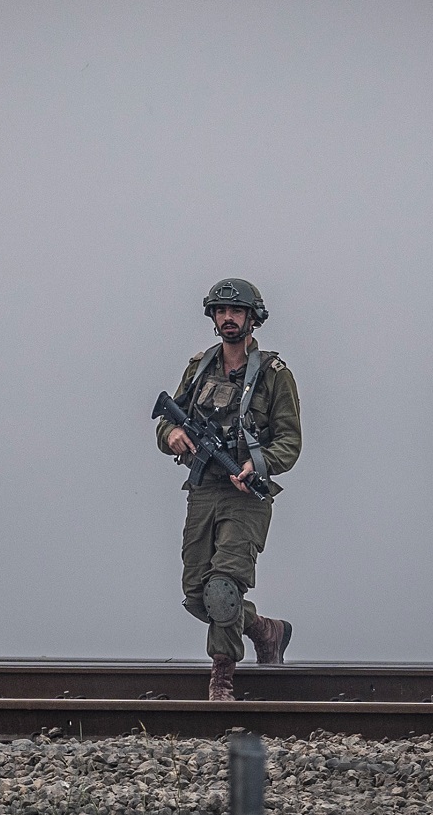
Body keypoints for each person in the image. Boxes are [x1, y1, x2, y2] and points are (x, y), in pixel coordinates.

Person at [155, 278, 302, 700]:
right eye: (220, 311)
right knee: (198, 594)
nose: (228, 319)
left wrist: (255, 464)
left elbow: (290, 442)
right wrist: (171, 435)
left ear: (253, 318)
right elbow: (169, 419)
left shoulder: (274, 375)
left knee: (223, 588)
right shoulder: (199, 368)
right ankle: (263, 628)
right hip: (203, 491)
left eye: (236, 311)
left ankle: (222, 678)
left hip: (245, 496)